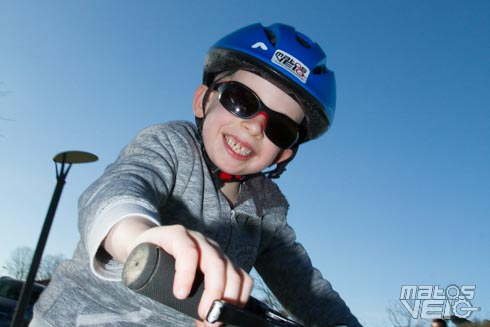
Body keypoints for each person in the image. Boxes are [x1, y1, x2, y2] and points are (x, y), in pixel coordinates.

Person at [32, 23, 362, 327]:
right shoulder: (172, 145)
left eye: (279, 127)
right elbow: (123, 185)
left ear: (284, 153)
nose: (255, 126)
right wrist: (138, 235)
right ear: (203, 100)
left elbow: (308, 289)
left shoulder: (267, 217)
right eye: (241, 100)